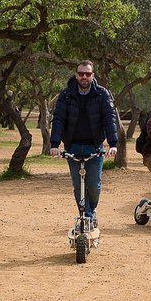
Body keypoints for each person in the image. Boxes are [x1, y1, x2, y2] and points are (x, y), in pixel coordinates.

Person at [50, 60, 118, 227]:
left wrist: (113, 143)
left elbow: (109, 118)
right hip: (72, 146)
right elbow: (58, 119)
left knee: (93, 184)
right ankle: (86, 217)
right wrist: (54, 144)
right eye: (81, 74)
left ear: (93, 75)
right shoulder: (66, 95)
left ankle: (91, 211)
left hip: (94, 147)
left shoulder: (102, 94)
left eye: (88, 74)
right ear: (76, 75)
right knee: (78, 186)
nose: (84, 77)